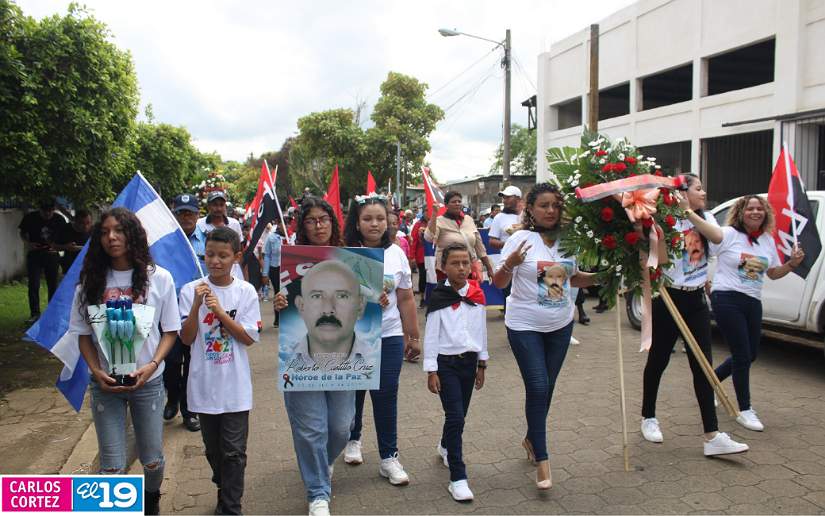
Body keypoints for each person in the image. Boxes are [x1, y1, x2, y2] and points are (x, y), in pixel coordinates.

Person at [69, 207, 180, 514]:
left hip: (148, 383)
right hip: (105, 385)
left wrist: (152, 365)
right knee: (112, 467)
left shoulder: (159, 278)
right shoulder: (89, 282)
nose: (112, 237)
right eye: (105, 232)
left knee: (152, 459)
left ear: (133, 234)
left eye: (119, 230)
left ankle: (151, 498)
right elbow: (83, 336)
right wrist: (96, 371)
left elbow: (171, 331)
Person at [492, 183, 597, 490]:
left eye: (555, 205)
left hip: (560, 325)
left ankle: (531, 438)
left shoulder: (569, 240)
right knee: (537, 386)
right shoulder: (520, 239)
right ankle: (542, 459)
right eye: (544, 205)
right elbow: (498, 283)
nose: (551, 210)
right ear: (530, 209)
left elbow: (572, 278)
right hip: (524, 326)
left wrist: (605, 277)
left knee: (546, 388)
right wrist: (510, 264)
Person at [640, 174, 749, 456]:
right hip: (669, 298)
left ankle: (712, 436)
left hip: (697, 299)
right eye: (698, 188)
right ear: (682, 192)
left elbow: (717, 237)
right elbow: (659, 259)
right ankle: (648, 416)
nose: (704, 192)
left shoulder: (705, 217)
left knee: (702, 365)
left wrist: (689, 212)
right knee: (658, 360)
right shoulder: (666, 221)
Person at [273, 196, 352, 516]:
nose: (319, 225)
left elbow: (368, 301)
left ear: (333, 222)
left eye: (324, 219)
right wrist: (279, 302)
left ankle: (322, 461)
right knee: (311, 429)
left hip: (345, 359)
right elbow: (285, 301)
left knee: (341, 427)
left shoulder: (352, 259)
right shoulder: (292, 260)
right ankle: (318, 493)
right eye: (311, 220)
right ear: (302, 226)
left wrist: (381, 299)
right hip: (302, 360)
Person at [178, 227, 261, 515]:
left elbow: (248, 338)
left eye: (223, 256)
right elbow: (186, 338)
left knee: (234, 452)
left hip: (235, 387)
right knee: (214, 451)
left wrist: (221, 313)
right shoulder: (190, 290)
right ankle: (224, 486)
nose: (215, 261)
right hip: (203, 385)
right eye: (210, 255)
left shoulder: (245, 292)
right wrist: (196, 306)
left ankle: (230, 507)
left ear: (236, 257)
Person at [341, 196, 422, 487]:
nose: (374, 224)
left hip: (389, 334)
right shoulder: (344, 253)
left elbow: (406, 298)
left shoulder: (397, 253)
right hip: (352, 335)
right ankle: (353, 438)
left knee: (386, 392)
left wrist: (413, 336)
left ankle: (389, 457)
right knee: (354, 390)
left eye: (380, 218)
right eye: (367, 219)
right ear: (357, 223)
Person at [710, 195, 804, 432]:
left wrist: (792, 264)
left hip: (752, 301)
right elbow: (702, 254)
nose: (755, 212)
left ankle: (709, 382)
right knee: (742, 355)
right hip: (727, 299)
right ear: (741, 212)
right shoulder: (728, 234)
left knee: (750, 354)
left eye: (759, 208)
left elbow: (772, 273)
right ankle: (745, 410)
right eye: (750, 208)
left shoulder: (766, 240)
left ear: (766, 213)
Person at [423, 242, 487, 502]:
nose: (461, 268)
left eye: (465, 263)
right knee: (456, 417)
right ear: (443, 267)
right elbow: (431, 335)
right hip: (446, 364)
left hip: (469, 363)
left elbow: (482, 330)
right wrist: (431, 370)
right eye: (455, 263)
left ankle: (445, 445)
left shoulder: (477, 294)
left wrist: (482, 363)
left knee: (460, 415)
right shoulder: (439, 296)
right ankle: (458, 477)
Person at [163, 194, 206, 433]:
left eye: (190, 212)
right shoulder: (165, 243)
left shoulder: (207, 241)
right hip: (169, 312)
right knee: (170, 361)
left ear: (198, 214)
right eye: (181, 213)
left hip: (197, 312)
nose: (186, 217)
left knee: (192, 362)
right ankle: (172, 398)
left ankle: (189, 411)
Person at [288, 260, 369, 365]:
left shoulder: (375, 359)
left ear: (360, 306)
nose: (328, 310)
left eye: (342, 296)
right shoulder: (284, 359)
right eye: (317, 296)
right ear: (301, 305)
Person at [425, 191, 494, 282]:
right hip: (446, 271)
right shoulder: (438, 221)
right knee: (448, 291)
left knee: (469, 291)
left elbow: (479, 247)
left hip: (468, 269)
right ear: (446, 205)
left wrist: (489, 268)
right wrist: (434, 214)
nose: (457, 204)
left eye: (459, 201)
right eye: (453, 202)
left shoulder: (469, 219)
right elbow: (429, 237)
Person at [19, 199, 67, 323]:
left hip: (52, 254)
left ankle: (52, 313)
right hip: (34, 254)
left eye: (50, 211)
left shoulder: (59, 219)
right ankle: (35, 314)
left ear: (54, 210)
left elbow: (65, 236)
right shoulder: (30, 218)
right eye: (45, 211)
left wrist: (57, 246)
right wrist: (28, 243)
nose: (47, 214)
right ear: (39, 209)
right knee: (33, 284)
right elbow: (22, 233)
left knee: (53, 285)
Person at [55, 208, 92, 274]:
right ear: (75, 221)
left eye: (88, 223)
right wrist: (65, 247)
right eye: (82, 223)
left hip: (88, 266)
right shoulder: (65, 229)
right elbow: (54, 246)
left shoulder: (93, 231)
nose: (85, 226)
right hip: (70, 266)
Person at [262, 224, 286, 327]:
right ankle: (278, 318)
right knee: (279, 292)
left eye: (289, 223)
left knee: (289, 292)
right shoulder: (272, 237)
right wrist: (265, 273)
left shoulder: (294, 236)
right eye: (284, 223)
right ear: (279, 225)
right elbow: (267, 255)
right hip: (275, 268)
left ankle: (287, 318)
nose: (286, 226)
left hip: (289, 268)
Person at [410, 213, 428, 308]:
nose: (428, 213)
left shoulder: (437, 222)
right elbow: (414, 241)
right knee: (423, 277)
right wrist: (412, 256)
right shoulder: (418, 224)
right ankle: (422, 298)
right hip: (421, 256)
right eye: (426, 210)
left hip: (434, 256)